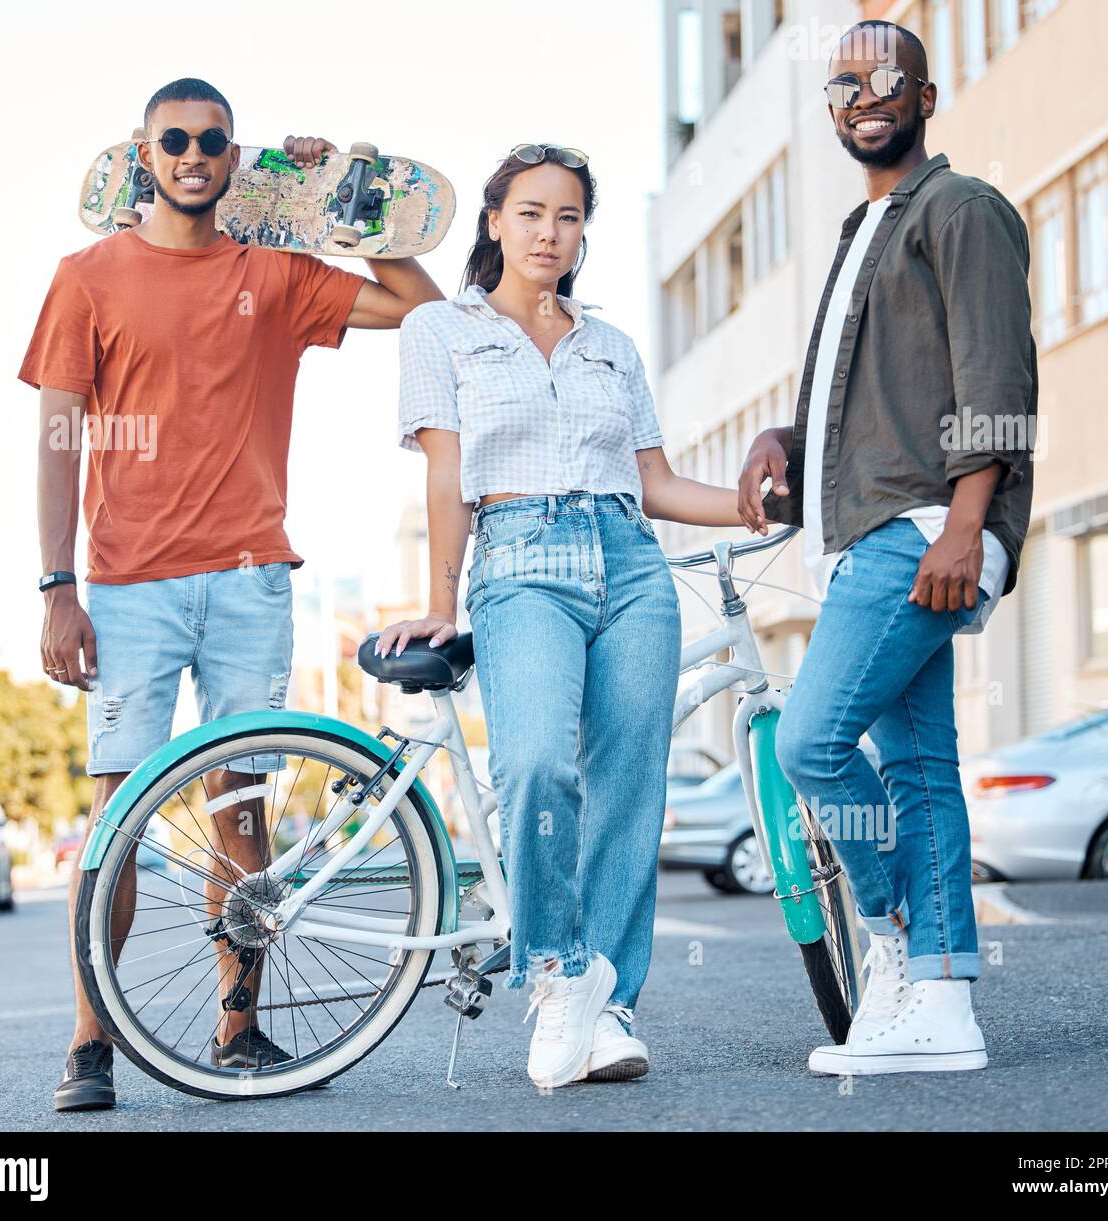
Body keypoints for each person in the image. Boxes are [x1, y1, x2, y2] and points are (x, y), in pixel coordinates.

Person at [19, 80, 442, 1110]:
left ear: (231, 153)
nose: (194, 154)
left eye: (212, 141)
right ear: (145, 152)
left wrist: (344, 200)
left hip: (252, 578)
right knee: (116, 819)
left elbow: (427, 319)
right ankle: (91, 1044)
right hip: (127, 592)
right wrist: (55, 588)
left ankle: (239, 1027)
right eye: (175, 140)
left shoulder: (277, 274)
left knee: (240, 815)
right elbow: (60, 440)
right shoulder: (88, 277)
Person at [374, 144, 750, 1089]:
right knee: (538, 762)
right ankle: (554, 977)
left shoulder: (610, 345)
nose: (551, 232)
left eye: (570, 217)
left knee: (630, 784)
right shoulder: (441, 329)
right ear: (494, 221)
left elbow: (656, 482)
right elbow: (448, 473)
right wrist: (439, 600)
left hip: (630, 564)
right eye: (532, 212)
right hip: (520, 561)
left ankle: (611, 1004)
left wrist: (759, 507)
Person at [738, 20, 1036, 1075]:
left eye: (883, 77)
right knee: (915, 767)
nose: (861, 95)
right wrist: (785, 432)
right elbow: (872, 389)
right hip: (879, 528)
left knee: (807, 744)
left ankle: (901, 941)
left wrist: (966, 523)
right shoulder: (865, 226)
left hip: (919, 530)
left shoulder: (959, 209)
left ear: (924, 92)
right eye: (842, 83)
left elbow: (993, 375)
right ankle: (944, 1009)